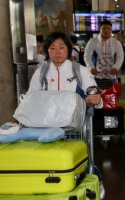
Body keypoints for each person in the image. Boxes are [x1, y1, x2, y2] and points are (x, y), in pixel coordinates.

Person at [27, 32, 105, 198]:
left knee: (81, 160)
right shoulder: (40, 73)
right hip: (47, 127)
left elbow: (95, 95)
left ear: (68, 50)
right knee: (49, 161)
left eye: (61, 47)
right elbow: (31, 99)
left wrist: (96, 99)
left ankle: (95, 183)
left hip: (75, 127)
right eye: (52, 48)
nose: (57, 51)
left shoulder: (80, 71)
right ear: (47, 51)